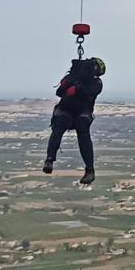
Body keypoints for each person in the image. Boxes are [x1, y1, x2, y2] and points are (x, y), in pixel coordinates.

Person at [44, 56, 104, 184]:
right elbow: (60, 92)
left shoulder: (95, 83)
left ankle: (89, 170)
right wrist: (68, 85)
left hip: (80, 111)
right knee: (61, 125)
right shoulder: (75, 78)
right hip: (68, 109)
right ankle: (49, 160)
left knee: (81, 129)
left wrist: (76, 88)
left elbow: (92, 91)